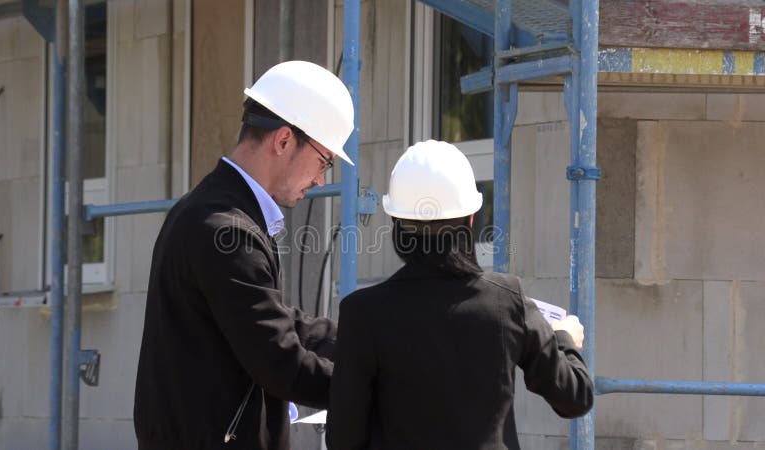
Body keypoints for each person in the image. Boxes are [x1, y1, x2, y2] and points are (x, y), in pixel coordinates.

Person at [134, 60, 354, 450]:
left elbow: (276, 321)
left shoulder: (210, 211)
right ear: (284, 140)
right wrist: (378, 385)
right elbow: (280, 362)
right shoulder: (226, 230)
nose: (322, 179)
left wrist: (367, 341)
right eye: (324, 161)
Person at [326, 140, 594, 450]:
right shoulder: (507, 300)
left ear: (397, 225)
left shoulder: (363, 313)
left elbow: (344, 438)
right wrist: (564, 340)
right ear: (470, 220)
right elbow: (575, 398)